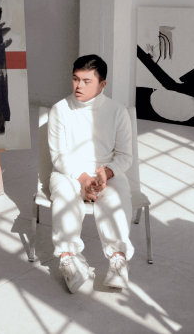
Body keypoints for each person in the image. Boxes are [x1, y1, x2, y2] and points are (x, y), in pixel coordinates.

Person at [48, 54, 134, 293]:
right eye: (76, 79)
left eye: (87, 81)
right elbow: (58, 157)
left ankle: (118, 261)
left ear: (102, 84)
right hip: (68, 171)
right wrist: (83, 178)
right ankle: (69, 260)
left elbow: (126, 156)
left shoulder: (117, 112)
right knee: (64, 196)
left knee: (116, 198)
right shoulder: (60, 110)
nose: (78, 86)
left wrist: (106, 173)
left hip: (106, 171)